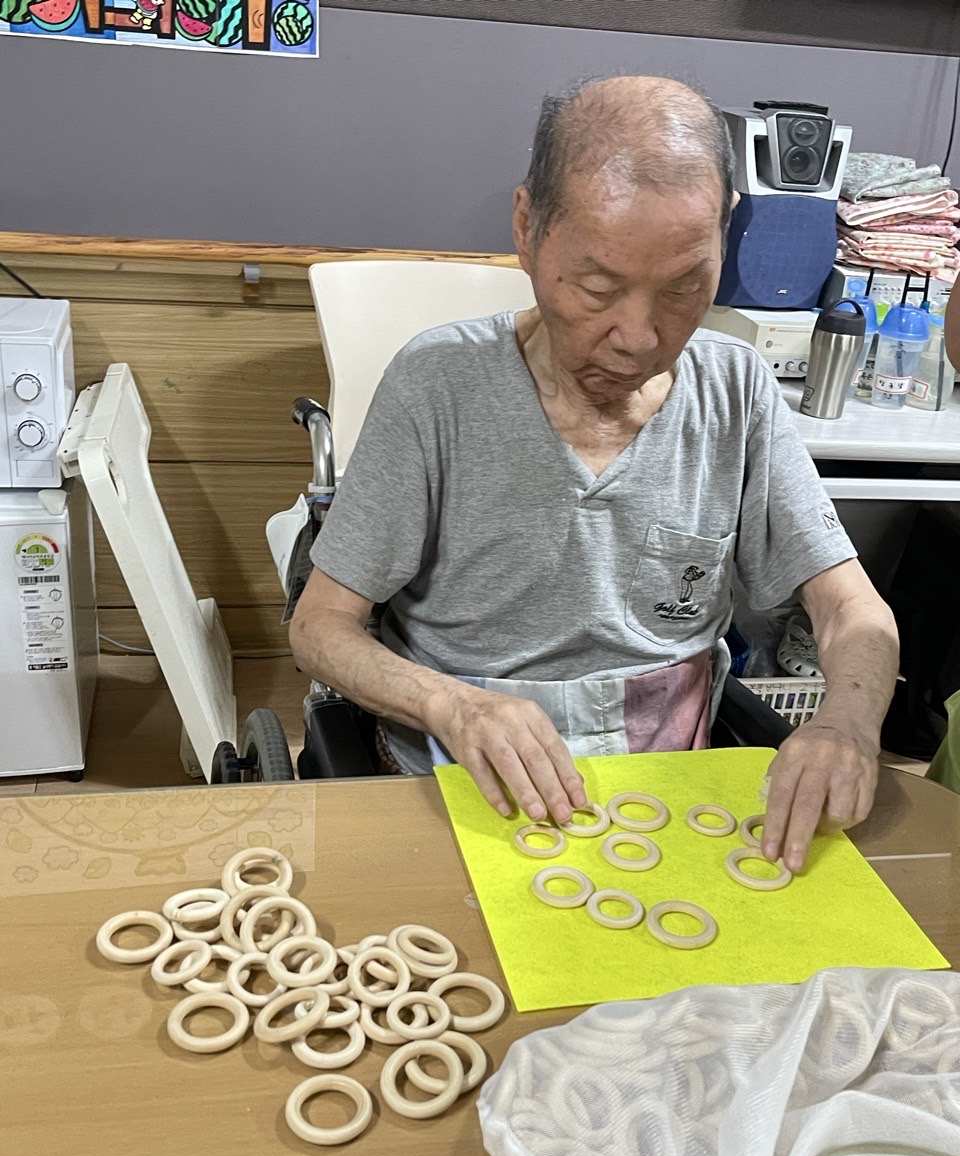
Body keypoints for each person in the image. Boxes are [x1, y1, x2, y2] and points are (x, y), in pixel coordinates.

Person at [290, 75, 899, 872]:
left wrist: (846, 725)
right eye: (598, 287)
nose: (639, 338)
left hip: (671, 794)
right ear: (527, 228)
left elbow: (852, 609)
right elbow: (320, 627)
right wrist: (453, 705)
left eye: (685, 287)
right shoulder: (438, 385)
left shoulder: (736, 390)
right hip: (458, 787)